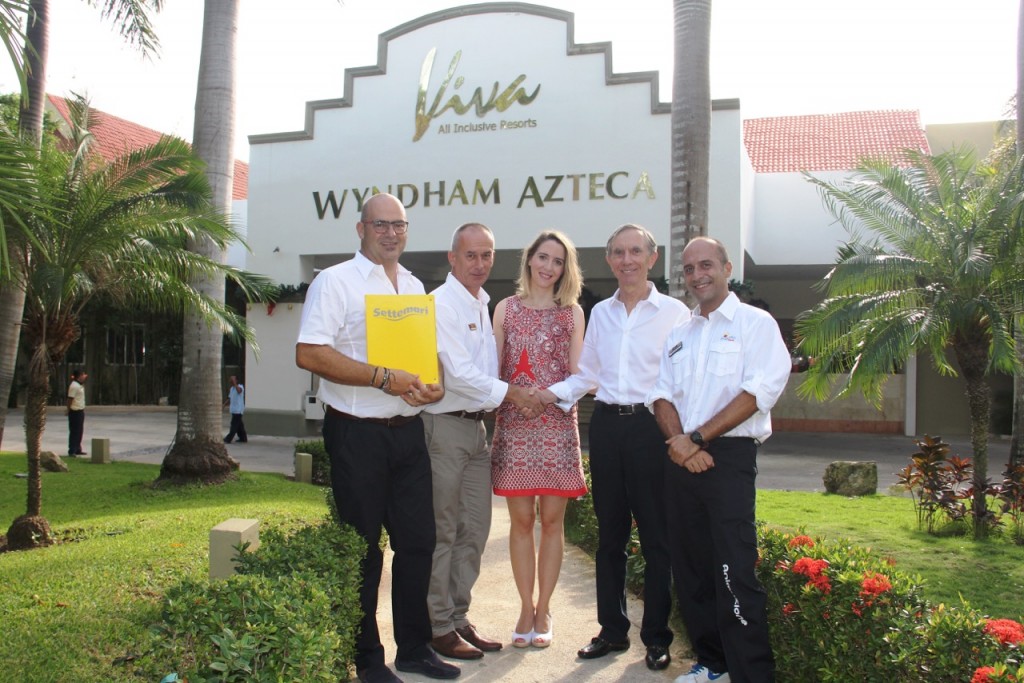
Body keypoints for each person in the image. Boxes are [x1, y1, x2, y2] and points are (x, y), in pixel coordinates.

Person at [295, 193, 459, 683]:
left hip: (408, 432)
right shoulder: (334, 281)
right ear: (361, 228)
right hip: (356, 435)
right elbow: (309, 353)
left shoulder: (412, 284)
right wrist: (382, 378)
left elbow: (422, 360)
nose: (391, 233)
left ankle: (414, 649)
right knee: (363, 549)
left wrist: (432, 387)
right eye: (381, 224)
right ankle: (366, 659)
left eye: (399, 225)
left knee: (419, 543)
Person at [541, 224, 690, 671]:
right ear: (609, 260)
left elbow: (683, 378)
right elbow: (587, 374)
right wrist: (544, 395)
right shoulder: (601, 313)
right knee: (610, 536)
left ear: (652, 257)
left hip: (652, 428)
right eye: (619, 253)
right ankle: (611, 631)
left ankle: (657, 637)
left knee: (657, 538)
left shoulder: (675, 313)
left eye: (635, 252)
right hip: (606, 426)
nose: (627, 260)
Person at [648, 236, 791, 683]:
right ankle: (713, 665)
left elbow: (759, 392)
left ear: (728, 269)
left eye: (706, 265)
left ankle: (751, 673)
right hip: (681, 457)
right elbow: (660, 395)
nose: (697, 275)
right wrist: (681, 444)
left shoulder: (756, 324)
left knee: (734, 568)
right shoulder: (679, 333)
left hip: (728, 458)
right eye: (689, 269)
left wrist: (696, 438)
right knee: (690, 569)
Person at [422, 223, 545, 661]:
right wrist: (515, 394)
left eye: (487, 255)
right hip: (444, 428)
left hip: (476, 430)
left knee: (474, 529)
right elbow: (457, 373)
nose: (479, 264)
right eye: (471, 255)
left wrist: (521, 395)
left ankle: (458, 617)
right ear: (452, 258)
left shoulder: (481, 302)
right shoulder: (440, 304)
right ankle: (437, 626)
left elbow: (489, 372)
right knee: (444, 530)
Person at [491, 230, 587, 650]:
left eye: (558, 261)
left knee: (551, 523)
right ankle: (524, 608)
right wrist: (519, 398)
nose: (549, 267)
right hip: (514, 425)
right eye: (543, 257)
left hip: (556, 427)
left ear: (565, 269)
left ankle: (544, 609)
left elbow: (580, 375)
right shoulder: (505, 309)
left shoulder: (572, 313)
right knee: (521, 523)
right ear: (529, 259)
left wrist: (546, 397)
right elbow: (493, 370)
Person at [66, 369, 88, 456]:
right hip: (75, 411)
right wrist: (68, 410)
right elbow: (70, 399)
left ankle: (78, 448)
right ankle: (72, 450)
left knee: (79, 431)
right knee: (75, 431)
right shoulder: (74, 386)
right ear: (79, 376)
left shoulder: (79, 385)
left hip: (80, 410)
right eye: (83, 375)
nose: (84, 376)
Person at [223, 375, 248, 443]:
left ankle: (228, 439)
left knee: (234, 425)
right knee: (239, 425)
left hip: (238, 410)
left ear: (236, 380)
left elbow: (239, 391)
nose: (231, 381)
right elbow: (229, 398)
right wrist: (224, 405)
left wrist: (234, 383)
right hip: (234, 410)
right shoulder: (232, 389)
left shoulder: (240, 387)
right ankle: (243, 438)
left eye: (233, 379)